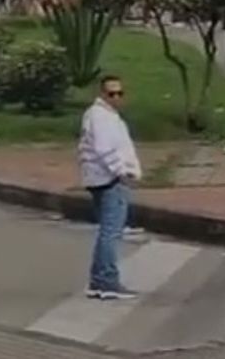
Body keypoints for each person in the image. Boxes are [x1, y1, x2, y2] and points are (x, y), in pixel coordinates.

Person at [78, 76, 142, 300]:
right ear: (102, 94)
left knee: (108, 231)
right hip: (109, 180)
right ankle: (106, 280)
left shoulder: (104, 116)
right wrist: (121, 173)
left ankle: (99, 280)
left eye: (120, 93)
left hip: (102, 179)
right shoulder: (101, 117)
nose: (116, 98)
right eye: (111, 93)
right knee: (111, 232)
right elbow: (105, 149)